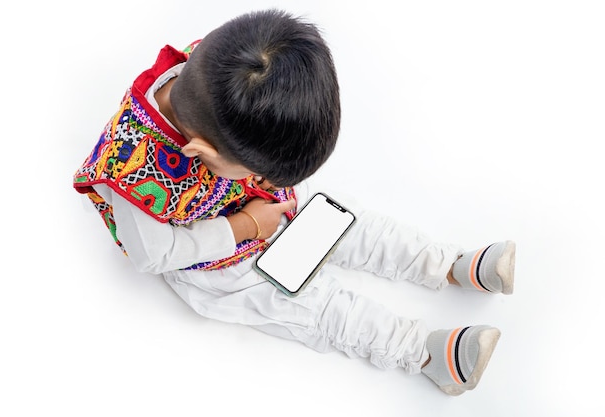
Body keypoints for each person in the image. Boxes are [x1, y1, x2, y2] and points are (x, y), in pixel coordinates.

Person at [73, 9, 515, 396]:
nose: (267, 176)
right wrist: (245, 227)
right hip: (211, 260)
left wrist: (261, 191)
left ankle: (446, 263)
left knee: (345, 221)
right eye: (259, 169)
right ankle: (421, 352)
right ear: (202, 153)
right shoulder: (128, 168)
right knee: (303, 302)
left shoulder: (229, 69)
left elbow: (265, 170)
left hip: (258, 202)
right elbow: (154, 255)